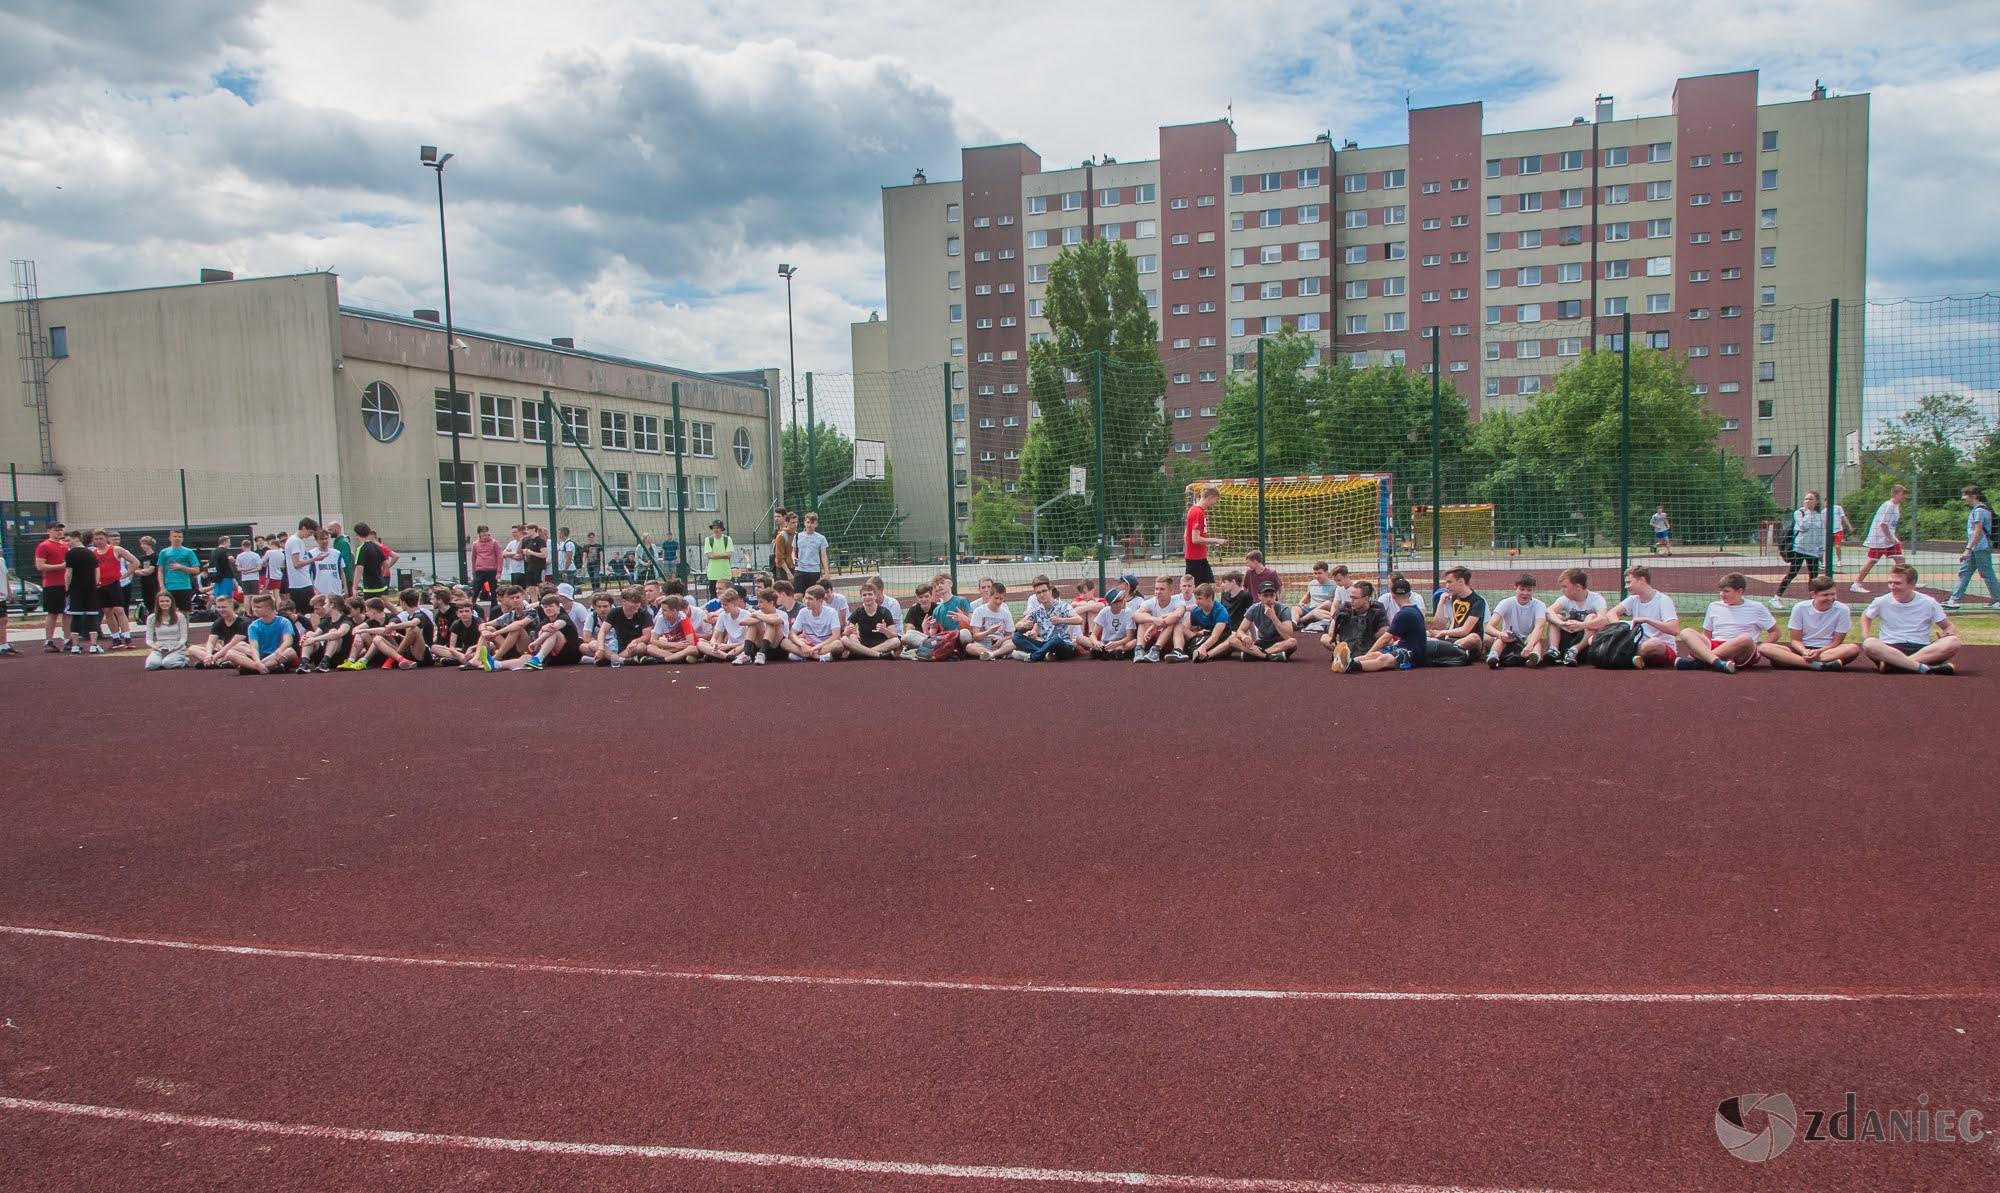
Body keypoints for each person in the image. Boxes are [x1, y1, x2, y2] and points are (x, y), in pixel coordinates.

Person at [1860, 562, 1959, 675]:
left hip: (1921, 649)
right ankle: (1924, 668)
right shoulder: (1881, 601)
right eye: (1890, 583)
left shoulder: (1928, 602)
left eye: (1897, 583)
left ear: (1911, 584)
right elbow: (1866, 615)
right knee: (1869, 643)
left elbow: (1947, 626)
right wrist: (1865, 634)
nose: (1892, 587)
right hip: (1889, 649)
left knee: (1953, 642)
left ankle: (1895, 666)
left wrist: (1949, 633)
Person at [1675, 572, 1776, 673]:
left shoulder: (1757, 607)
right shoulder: (1714, 606)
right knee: (1686, 632)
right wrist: (1699, 647)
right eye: (1721, 591)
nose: (1722, 594)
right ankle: (1716, 662)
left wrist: (1759, 649)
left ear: (1740, 591)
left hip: (1742, 650)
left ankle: (1700, 661)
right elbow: (1706, 634)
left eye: (1726, 591)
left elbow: (1775, 632)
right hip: (1717, 644)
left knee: (1746, 638)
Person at [1759, 576, 1862, 671]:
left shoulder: (1842, 610)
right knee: (1764, 647)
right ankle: (1818, 665)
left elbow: (1837, 642)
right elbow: (1795, 640)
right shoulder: (1800, 607)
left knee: (1852, 649)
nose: (1830, 598)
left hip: (1827, 651)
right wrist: (1805, 652)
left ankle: (1795, 661)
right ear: (1813, 595)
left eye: (1833, 594)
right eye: (1825, 595)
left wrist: (1818, 652)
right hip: (1801, 649)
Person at [1349, 576, 1428, 672]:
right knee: (1376, 655)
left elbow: (1385, 638)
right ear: (1409, 594)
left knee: (1383, 659)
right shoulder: (1415, 610)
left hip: (1413, 654)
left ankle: (1352, 665)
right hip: (1407, 647)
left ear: (1392, 595)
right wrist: (1370, 654)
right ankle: (1347, 661)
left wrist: (1367, 654)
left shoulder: (1404, 614)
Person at [1609, 565, 1682, 668]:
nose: (1626, 586)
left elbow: (1674, 629)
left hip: (1663, 648)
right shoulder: (1633, 599)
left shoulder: (1663, 600)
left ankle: (1627, 655)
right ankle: (1635, 658)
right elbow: (1611, 613)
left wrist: (1647, 620)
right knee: (1597, 634)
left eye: (1629, 582)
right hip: (1638, 643)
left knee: (1653, 644)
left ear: (1642, 580)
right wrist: (1619, 629)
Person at [489, 594, 585, 671]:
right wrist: (542, 629)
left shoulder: (563, 617)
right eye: (545, 607)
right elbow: (539, 632)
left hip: (570, 654)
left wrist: (537, 642)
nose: (548, 609)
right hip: (552, 658)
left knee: (554, 632)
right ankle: (496, 664)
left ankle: (538, 658)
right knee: (526, 658)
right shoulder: (545, 621)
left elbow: (555, 627)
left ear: (558, 607)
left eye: (551, 606)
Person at [1943, 484, 2000, 611]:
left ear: (1973, 496)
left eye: (1965, 495)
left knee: (1986, 573)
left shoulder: (1979, 511)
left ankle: (1998, 599)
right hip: (1976, 548)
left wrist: (1968, 549)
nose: (1963, 498)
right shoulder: (1977, 510)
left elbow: (1977, 532)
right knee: (1965, 572)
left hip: (1980, 548)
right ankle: (1955, 599)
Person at [1773, 492, 1827, 610]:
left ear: (1816, 501)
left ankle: (1813, 600)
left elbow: (1822, 534)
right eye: (1806, 499)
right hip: (1800, 548)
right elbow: (1803, 526)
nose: (1807, 501)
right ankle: (1777, 597)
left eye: (1811, 499)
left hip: (1813, 550)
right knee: (1793, 572)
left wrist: (1821, 550)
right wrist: (1808, 513)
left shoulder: (1820, 516)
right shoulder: (1799, 513)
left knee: (1813, 576)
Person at [1545, 568, 1609, 666]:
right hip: (1569, 634)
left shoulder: (1596, 599)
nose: (1561, 590)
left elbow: (1604, 620)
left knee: (1592, 617)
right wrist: (1561, 624)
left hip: (1585, 642)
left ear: (1578, 586)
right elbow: (1548, 611)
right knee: (1557, 617)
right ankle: (1554, 651)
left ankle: (1574, 651)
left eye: (1565, 586)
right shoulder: (1565, 599)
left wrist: (1582, 625)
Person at [1012, 575, 1081, 663]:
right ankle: (1044, 655)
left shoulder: (1063, 606)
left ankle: (1033, 656)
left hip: (1062, 645)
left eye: (1044, 591)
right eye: (1038, 593)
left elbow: (1079, 620)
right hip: (1045, 643)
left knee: (1056, 640)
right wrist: (1021, 625)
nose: (1041, 594)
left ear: (1050, 591)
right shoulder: (1037, 610)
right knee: (1016, 636)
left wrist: (1060, 620)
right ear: (1036, 595)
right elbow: (1018, 625)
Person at [1483, 574, 1548, 668]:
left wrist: (1529, 646)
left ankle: (1534, 657)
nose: (1525, 593)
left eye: (1529, 590)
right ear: (1515, 589)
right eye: (1522, 589)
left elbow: (1539, 627)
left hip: (1527, 640)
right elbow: (1488, 627)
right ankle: (1493, 657)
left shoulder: (1540, 605)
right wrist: (1501, 634)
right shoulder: (1505, 603)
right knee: (1500, 639)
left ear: (1534, 590)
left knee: (1534, 638)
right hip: (1509, 638)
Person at [1850, 484, 1905, 593]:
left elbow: (1891, 525)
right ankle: (1856, 583)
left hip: (1889, 540)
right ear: (1896, 494)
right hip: (1880, 539)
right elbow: (1883, 525)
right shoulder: (1887, 506)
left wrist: (1894, 537)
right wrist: (1890, 538)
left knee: (1900, 560)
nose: (1904, 497)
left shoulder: (1896, 506)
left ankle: (1906, 582)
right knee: (1871, 561)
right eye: (1903, 494)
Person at [1324, 580, 1388, 673]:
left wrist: (1367, 638)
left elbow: (1384, 630)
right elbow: (1331, 631)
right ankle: (1343, 653)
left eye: (1355, 598)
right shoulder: (1344, 607)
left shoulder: (1377, 608)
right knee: (1324, 639)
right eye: (1350, 597)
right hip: (1347, 643)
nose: (1351, 601)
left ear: (1366, 599)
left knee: (1389, 641)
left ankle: (1347, 659)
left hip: (1369, 643)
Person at [230, 594, 298, 675]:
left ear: (269, 609)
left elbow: (288, 640)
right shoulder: (254, 626)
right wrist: (258, 662)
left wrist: (279, 650)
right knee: (231, 653)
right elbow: (254, 647)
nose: (255, 609)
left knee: (290, 652)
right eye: (255, 607)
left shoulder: (283, 622)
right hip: (260, 655)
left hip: (276, 655)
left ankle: (253, 668)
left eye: (258, 607)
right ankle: (263, 668)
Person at [1428, 565, 1487, 659]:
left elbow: (1465, 630)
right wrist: (1447, 635)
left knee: (1473, 637)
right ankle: (1448, 650)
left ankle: (1444, 650)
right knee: (1427, 634)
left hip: (1470, 640)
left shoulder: (1478, 601)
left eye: (1449, 582)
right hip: (1454, 639)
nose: (1447, 586)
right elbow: (1455, 622)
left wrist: (1444, 633)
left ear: (1461, 581)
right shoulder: (1455, 597)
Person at [1232, 582, 1298, 661]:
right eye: (1265, 596)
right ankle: (1268, 656)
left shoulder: (1284, 609)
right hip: (1261, 643)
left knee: (1292, 642)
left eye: (1271, 595)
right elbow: (1240, 630)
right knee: (1232, 640)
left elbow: (1288, 636)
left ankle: (1255, 655)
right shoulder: (1254, 608)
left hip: (1279, 644)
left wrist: (1273, 617)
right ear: (1259, 596)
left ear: (1275, 596)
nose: (1269, 599)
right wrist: (1244, 636)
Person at [1131, 574, 1186, 663]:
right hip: (1151, 636)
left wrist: (1154, 625)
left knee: (1172, 620)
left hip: (1171, 638)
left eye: (1162, 589)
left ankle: (1156, 649)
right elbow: (1135, 615)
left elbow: (1177, 615)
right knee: (1144, 620)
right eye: (1156, 589)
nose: (1158, 592)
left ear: (1171, 591)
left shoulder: (1178, 602)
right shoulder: (1151, 601)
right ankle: (1139, 650)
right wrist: (1153, 619)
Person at [1175, 581, 1234, 663]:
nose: (1196, 602)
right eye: (1196, 598)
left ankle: (1204, 654)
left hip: (1220, 640)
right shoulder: (1196, 611)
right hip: (1203, 638)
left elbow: (1215, 636)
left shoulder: (1220, 611)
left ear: (1209, 598)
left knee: (1231, 639)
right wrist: (1198, 632)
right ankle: (1178, 651)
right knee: (1179, 626)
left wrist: (1203, 647)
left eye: (1199, 598)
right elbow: (1187, 630)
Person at [597, 587, 656, 667]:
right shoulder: (615, 612)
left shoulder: (644, 614)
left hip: (634, 647)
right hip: (618, 646)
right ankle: (621, 660)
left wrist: (635, 641)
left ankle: (610, 659)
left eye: (638, 602)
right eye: (634, 602)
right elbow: (602, 631)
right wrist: (601, 649)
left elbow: (647, 636)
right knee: (591, 645)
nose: (637, 605)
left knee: (641, 647)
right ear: (624, 601)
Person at [784, 585, 845, 661]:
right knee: (784, 642)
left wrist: (815, 648)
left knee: (838, 644)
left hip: (825, 646)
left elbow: (836, 636)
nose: (807, 601)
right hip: (809, 645)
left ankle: (803, 655)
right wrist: (802, 645)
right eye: (806, 598)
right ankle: (818, 657)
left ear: (820, 601)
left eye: (810, 599)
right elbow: (792, 634)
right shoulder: (803, 612)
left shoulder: (832, 612)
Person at [35, 523, 71, 652]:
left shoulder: (65, 546)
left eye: (61, 530)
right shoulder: (44, 546)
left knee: (68, 613)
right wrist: (61, 566)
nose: (59, 532)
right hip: (52, 584)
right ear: (49, 531)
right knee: (53, 613)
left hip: (66, 584)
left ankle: (68, 639)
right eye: (56, 530)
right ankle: (49, 641)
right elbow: (40, 566)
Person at [188, 595, 250, 668]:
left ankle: (214, 662)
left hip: (237, 651)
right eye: (218, 607)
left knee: (234, 651)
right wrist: (208, 654)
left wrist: (215, 656)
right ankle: (218, 662)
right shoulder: (218, 622)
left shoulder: (244, 622)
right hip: (223, 652)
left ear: (232, 607)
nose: (221, 610)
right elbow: (211, 641)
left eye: (224, 607)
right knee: (193, 649)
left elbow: (232, 644)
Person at [1080, 585, 1140, 659]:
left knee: (1135, 641)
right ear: (1113, 604)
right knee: (1080, 639)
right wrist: (1096, 643)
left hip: (1121, 643)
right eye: (1122, 599)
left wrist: (1116, 644)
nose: (1125, 600)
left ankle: (1108, 651)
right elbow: (1093, 635)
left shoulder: (1128, 611)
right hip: (1105, 643)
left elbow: (1129, 637)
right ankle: (1109, 651)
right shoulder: (1105, 612)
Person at [843, 586, 902, 659]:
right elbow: (845, 633)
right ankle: (878, 655)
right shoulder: (858, 612)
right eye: (864, 595)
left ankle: (862, 653)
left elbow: (894, 636)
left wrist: (885, 631)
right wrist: (848, 632)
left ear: (875, 596)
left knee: (896, 641)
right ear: (861, 597)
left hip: (880, 644)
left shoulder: (885, 612)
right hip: (862, 643)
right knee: (845, 639)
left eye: (870, 594)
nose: (867, 597)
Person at [1183, 485, 1225, 585]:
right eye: (1215, 499)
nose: (1215, 502)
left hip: (1197, 557)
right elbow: (1195, 539)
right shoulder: (1198, 512)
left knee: (1210, 586)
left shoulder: (1193, 510)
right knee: (1201, 590)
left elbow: (1186, 535)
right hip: (1196, 559)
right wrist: (1216, 540)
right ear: (1210, 497)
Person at [964, 582, 1016, 660]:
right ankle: (998, 653)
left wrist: (1001, 640)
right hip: (983, 642)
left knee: (1014, 643)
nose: (998, 602)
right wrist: (989, 632)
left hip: (999, 642)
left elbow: (1009, 635)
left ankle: (992, 654)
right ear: (990, 596)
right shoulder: (979, 611)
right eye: (996, 598)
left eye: (1001, 599)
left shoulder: (1006, 613)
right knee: (969, 647)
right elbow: (976, 636)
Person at [703, 587, 754, 664]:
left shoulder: (746, 615)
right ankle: (729, 657)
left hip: (741, 646)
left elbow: (748, 641)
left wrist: (728, 646)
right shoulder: (722, 615)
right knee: (700, 642)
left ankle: (723, 656)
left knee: (742, 647)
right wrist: (715, 645)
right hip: (728, 646)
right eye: (722, 604)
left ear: (735, 604)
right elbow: (714, 637)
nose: (723, 607)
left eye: (726, 605)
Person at [157, 528, 202, 613]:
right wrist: (162, 586)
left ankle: (185, 626)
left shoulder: (188, 552)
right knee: (169, 612)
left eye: (179, 536)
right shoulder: (164, 552)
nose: (177, 538)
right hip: (169, 586)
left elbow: (196, 570)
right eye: (175, 536)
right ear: (170, 538)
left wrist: (181, 567)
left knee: (184, 612)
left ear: (182, 538)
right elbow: (160, 570)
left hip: (184, 586)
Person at [142, 590, 190, 670]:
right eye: (162, 601)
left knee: (168, 664)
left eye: (167, 601)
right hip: (159, 646)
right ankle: (160, 659)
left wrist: (176, 647)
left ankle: (184, 660)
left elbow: (184, 637)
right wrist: (155, 647)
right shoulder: (152, 618)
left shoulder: (179, 616)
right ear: (158, 603)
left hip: (175, 646)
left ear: (172, 602)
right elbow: (149, 639)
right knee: (151, 665)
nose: (164, 603)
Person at [282, 518, 321, 613]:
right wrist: (315, 559)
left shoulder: (297, 541)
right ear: (303, 528)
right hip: (300, 585)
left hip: (303, 583)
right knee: (309, 613)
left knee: (309, 612)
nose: (310, 535)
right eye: (310, 532)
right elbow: (297, 564)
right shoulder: (295, 541)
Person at [1296, 563, 1346, 633]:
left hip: (1323, 611)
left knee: (1327, 604)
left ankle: (1302, 620)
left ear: (1326, 573)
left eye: (1319, 573)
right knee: (1295, 609)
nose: (1317, 576)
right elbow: (1308, 595)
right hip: (1310, 610)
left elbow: (1336, 602)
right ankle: (1294, 624)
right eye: (1315, 573)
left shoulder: (1334, 585)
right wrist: (1301, 602)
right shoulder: (1312, 584)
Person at [354, 523, 398, 601]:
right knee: (380, 606)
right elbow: (386, 564)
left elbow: (359, 569)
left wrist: (354, 587)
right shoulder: (377, 547)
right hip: (380, 585)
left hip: (370, 587)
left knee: (369, 609)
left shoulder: (361, 549)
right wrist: (381, 576)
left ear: (357, 534)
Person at [793, 512, 830, 594]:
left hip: (814, 571)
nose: (809, 525)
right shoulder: (797, 536)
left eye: (812, 523)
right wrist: (793, 557)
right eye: (808, 522)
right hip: (800, 569)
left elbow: (824, 556)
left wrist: (826, 572)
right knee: (797, 596)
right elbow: (793, 551)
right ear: (804, 523)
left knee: (813, 595)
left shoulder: (821, 538)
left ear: (816, 524)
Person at [702, 519, 734, 600]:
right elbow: (710, 555)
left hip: (725, 573)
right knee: (714, 596)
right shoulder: (708, 540)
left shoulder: (727, 539)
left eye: (718, 528)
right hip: (713, 573)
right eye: (714, 528)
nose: (716, 530)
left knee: (728, 596)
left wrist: (715, 555)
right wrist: (724, 554)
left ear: (721, 529)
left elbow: (729, 554)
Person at [133, 534, 162, 616]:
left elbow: (150, 570)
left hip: (154, 583)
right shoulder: (142, 558)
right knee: (147, 601)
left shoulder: (155, 557)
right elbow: (136, 571)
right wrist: (143, 571)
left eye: (144, 544)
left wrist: (142, 571)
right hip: (145, 583)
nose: (142, 546)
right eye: (142, 544)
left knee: (155, 601)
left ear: (150, 545)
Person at [770, 507, 796, 587]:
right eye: (775, 517)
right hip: (778, 562)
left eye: (778, 516)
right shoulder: (776, 531)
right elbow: (774, 546)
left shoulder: (794, 532)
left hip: (790, 563)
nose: (776, 519)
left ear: (785, 518)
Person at [328, 522, 355, 594]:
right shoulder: (337, 542)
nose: (329, 532)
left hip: (346, 576)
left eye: (331, 530)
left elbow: (344, 561)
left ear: (337, 529)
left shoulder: (343, 543)